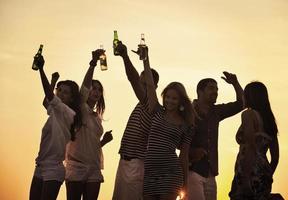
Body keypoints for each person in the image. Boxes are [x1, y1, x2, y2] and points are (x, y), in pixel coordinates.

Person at [142, 47, 195, 200]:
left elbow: (184, 157)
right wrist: (146, 59)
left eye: (174, 98)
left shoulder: (186, 125)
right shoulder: (157, 111)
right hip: (150, 172)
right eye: (168, 97)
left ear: (181, 102)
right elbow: (150, 86)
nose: (170, 101)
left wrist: (185, 184)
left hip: (170, 174)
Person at [29, 55, 81, 200]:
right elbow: (46, 102)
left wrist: (41, 69)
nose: (61, 94)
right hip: (40, 165)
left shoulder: (68, 113)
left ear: (71, 98)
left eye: (66, 92)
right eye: (60, 90)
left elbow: (49, 96)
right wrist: (52, 82)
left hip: (54, 168)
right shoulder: (54, 109)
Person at [112, 42, 159, 200]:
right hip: (125, 162)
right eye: (141, 82)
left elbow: (131, 78)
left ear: (154, 86)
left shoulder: (151, 105)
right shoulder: (142, 103)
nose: (139, 86)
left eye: (144, 83)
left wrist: (125, 56)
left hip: (137, 165)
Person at [65, 50, 113, 200]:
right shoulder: (80, 108)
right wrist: (93, 64)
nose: (96, 91)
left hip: (94, 167)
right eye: (94, 88)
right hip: (76, 166)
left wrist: (103, 141)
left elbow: (91, 145)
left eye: (99, 90)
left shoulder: (97, 118)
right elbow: (84, 88)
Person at [188, 73, 244, 200]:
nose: (215, 92)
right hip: (193, 171)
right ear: (200, 91)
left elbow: (242, 103)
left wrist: (235, 83)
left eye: (216, 89)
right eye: (211, 88)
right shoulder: (188, 111)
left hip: (211, 173)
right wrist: (192, 151)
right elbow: (176, 139)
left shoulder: (217, 111)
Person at [229, 81, 279, 200]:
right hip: (264, 169)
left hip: (248, 167)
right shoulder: (269, 120)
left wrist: (246, 178)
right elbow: (275, 157)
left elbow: (250, 146)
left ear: (249, 97)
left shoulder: (248, 115)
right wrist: (267, 175)